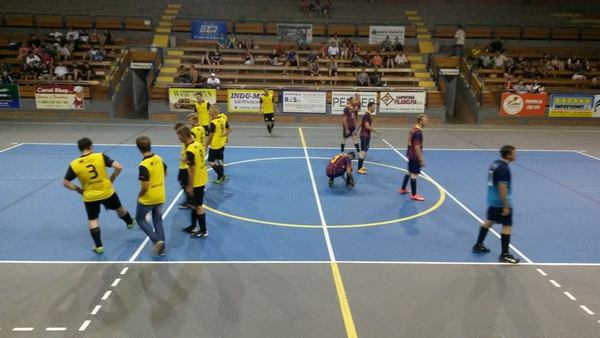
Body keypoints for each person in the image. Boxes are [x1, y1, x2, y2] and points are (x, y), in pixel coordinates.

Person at [62, 138, 134, 254]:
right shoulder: (100, 156)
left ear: (80, 149)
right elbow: (119, 167)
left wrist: (79, 190)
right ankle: (130, 222)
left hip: (90, 196)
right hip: (106, 191)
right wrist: (113, 177)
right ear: (91, 146)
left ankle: (99, 246)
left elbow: (66, 182)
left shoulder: (74, 164)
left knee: (93, 220)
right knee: (118, 208)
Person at [472, 145, 520, 264]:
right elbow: (502, 187)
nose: (516, 155)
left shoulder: (495, 164)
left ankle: (478, 244)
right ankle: (505, 254)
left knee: (489, 221)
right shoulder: (504, 169)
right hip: (500, 202)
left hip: (492, 200)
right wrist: (505, 206)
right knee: (507, 226)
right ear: (508, 155)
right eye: (514, 153)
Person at [135, 136, 167, 256]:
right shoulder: (158, 158)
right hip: (160, 195)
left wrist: (139, 195)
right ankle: (162, 248)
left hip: (148, 198)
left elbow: (145, 185)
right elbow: (165, 171)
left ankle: (156, 240)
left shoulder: (144, 165)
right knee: (158, 220)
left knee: (140, 219)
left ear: (139, 149)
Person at [178, 126, 209, 238]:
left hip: (197, 182)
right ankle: (193, 226)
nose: (178, 139)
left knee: (199, 206)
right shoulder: (197, 144)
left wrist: (190, 186)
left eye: (179, 136)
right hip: (202, 177)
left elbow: (192, 170)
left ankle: (203, 230)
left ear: (184, 136)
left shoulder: (190, 150)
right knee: (193, 205)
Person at [399, 114, 428, 201]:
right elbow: (417, 147)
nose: (427, 121)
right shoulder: (418, 133)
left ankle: (403, 189)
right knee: (414, 175)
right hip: (415, 156)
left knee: (409, 172)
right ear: (420, 121)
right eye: (425, 120)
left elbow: (409, 142)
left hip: (410, 154)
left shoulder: (412, 129)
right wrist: (421, 159)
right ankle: (414, 195)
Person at [206, 107, 232, 184]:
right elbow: (229, 129)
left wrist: (206, 145)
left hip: (215, 145)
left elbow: (210, 136)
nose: (209, 112)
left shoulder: (213, 123)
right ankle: (222, 176)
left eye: (210, 111)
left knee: (211, 161)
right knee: (220, 160)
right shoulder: (222, 119)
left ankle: (221, 175)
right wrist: (226, 135)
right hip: (221, 143)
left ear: (213, 113)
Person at [357, 102, 380, 174]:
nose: (374, 108)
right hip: (364, 135)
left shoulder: (367, 115)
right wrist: (376, 131)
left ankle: (360, 167)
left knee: (364, 150)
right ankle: (359, 168)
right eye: (373, 107)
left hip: (366, 135)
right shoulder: (367, 115)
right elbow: (366, 126)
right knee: (363, 151)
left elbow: (361, 123)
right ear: (369, 107)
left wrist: (356, 130)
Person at [174, 122, 191, 209]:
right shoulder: (185, 141)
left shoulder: (188, 142)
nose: (178, 138)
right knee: (182, 182)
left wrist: (184, 158)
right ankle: (189, 199)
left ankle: (189, 201)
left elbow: (190, 153)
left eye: (179, 135)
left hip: (185, 167)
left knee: (185, 183)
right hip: (183, 166)